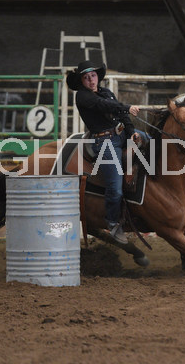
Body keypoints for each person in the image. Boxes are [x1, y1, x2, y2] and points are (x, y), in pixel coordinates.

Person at [67, 60, 145, 245]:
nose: (91, 80)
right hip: (104, 141)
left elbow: (121, 115)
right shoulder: (83, 97)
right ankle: (112, 222)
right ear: (82, 81)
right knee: (115, 188)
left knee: (149, 140)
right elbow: (105, 106)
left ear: (97, 77)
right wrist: (126, 107)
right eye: (86, 77)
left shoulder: (106, 92)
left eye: (93, 76)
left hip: (120, 134)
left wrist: (131, 131)